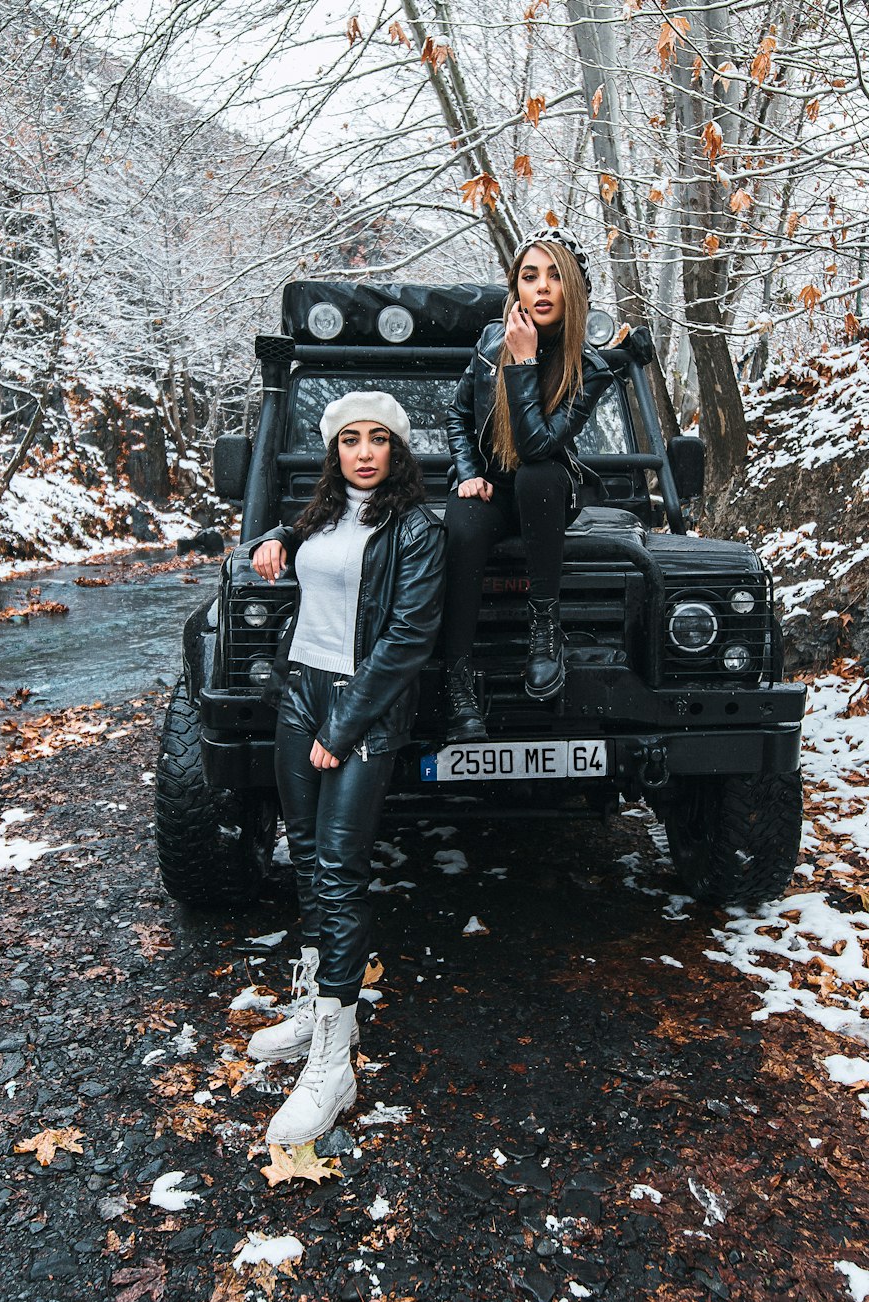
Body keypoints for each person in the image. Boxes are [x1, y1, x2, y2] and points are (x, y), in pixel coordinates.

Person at [245, 391, 445, 1145]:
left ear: (397, 450)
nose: (364, 452)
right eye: (350, 440)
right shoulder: (323, 516)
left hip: (359, 707)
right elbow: (298, 550)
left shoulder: (417, 530)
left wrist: (346, 722)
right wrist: (272, 537)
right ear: (335, 453)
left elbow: (407, 638)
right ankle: (315, 1006)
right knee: (304, 857)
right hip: (298, 692)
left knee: (340, 866)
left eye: (378, 440)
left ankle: (334, 1061)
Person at [442, 227, 613, 742]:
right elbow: (456, 411)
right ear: (514, 286)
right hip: (490, 489)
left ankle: (544, 632)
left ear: (573, 290)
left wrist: (525, 360)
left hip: (543, 497)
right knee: (463, 528)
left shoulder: (590, 366)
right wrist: (469, 474)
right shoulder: (489, 340)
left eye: (554, 276)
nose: (540, 288)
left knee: (538, 475)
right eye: (529, 276)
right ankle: (459, 686)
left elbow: (538, 445)